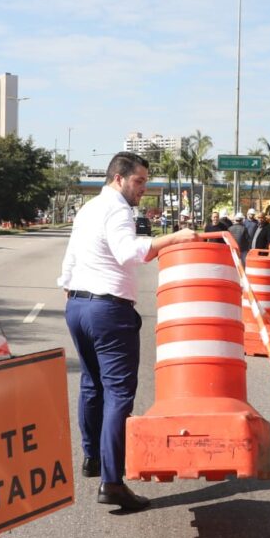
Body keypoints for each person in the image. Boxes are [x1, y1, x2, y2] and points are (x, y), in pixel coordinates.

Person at [57, 152, 195, 511]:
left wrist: (71, 291)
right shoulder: (117, 209)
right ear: (119, 178)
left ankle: (92, 457)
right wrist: (174, 238)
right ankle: (113, 481)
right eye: (139, 182)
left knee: (92, 384)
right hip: (108, 308)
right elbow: (127, 252)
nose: (143, 190)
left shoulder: (88, 209)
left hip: (78, 305)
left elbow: (70, 259)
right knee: (119, 393)